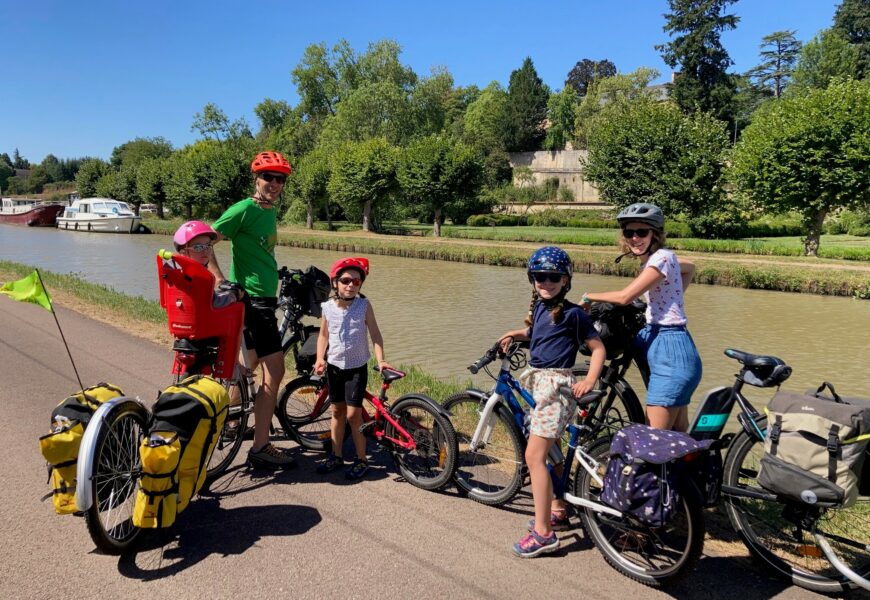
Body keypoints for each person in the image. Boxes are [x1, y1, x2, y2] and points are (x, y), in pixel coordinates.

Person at [499, 246, 606, 558]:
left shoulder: (574, 314)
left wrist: (589, 380)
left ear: (565, 280)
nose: (546, 282)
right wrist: (513, 334)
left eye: (553, 277)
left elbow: (598, 349)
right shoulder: (542, 310)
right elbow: (534, 334)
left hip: (556, 388)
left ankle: (544, 534)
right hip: (539, 382)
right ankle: (557, 508)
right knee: (552, 453)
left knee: (534, 457)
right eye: (540, 277)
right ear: (532, 279)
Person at [207, 150, 296, 469]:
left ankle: (233, 420)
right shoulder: (244, 208)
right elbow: (204, 241)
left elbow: (259, 252)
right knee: (276, 370)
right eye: (268, 177)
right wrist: (219, 279)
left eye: (280, 179)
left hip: (262, 300)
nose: (273, 183)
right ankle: (261, 446)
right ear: (256, 179)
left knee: (252, 363)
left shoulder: (267, 210)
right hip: (254, 302)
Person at [580, 202, 701, 432]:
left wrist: (588, 298)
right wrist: (668, 300)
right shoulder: (663, 259)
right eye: (629, 232)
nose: (635, 238)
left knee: (654, 440)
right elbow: (690, 267)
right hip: (674, 345)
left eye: (642, 232)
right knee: (676, 436)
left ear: (655, 234)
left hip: (669, 349)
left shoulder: (660, 258)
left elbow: (625, 296)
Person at [313, 257, 393, 481]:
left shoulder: (363, 306)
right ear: (335, 283)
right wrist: (320, 358)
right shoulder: (327, 308)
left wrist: (381, 360)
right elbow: (323, 335)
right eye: (346, 280)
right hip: (334, 366)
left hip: (357, 367)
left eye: (356, 282)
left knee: (353, 415)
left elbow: (375, 335)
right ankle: (336, 455)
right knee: (336, 412)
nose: (351, 285)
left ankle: (361, 459)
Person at [173, 220, 243, 308]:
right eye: (198, 247)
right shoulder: (200, 276)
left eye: (208, 246)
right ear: (183, 252)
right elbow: (213, 303)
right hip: (204, 320)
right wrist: (233, 296)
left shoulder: (174, 273)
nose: (205, 251)